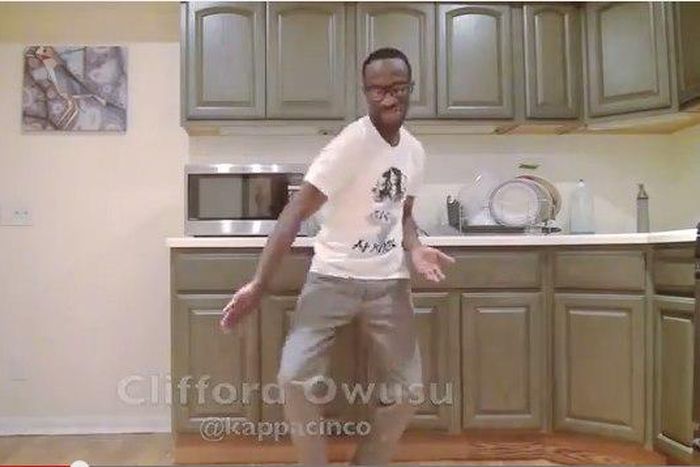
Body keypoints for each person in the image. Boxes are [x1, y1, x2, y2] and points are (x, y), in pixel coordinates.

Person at [219, 47, 455, 465]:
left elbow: (403, 216)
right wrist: (259, 284)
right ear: (365, 92)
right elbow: (294, 212)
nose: (389, 98)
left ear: (410, 89)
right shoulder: (349, 146)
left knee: (409, 390)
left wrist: (416, 248)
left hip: (389, 285)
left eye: (398, 88)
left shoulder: (414, 152)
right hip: (331, 280)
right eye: (378, 90)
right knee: (294, 379)